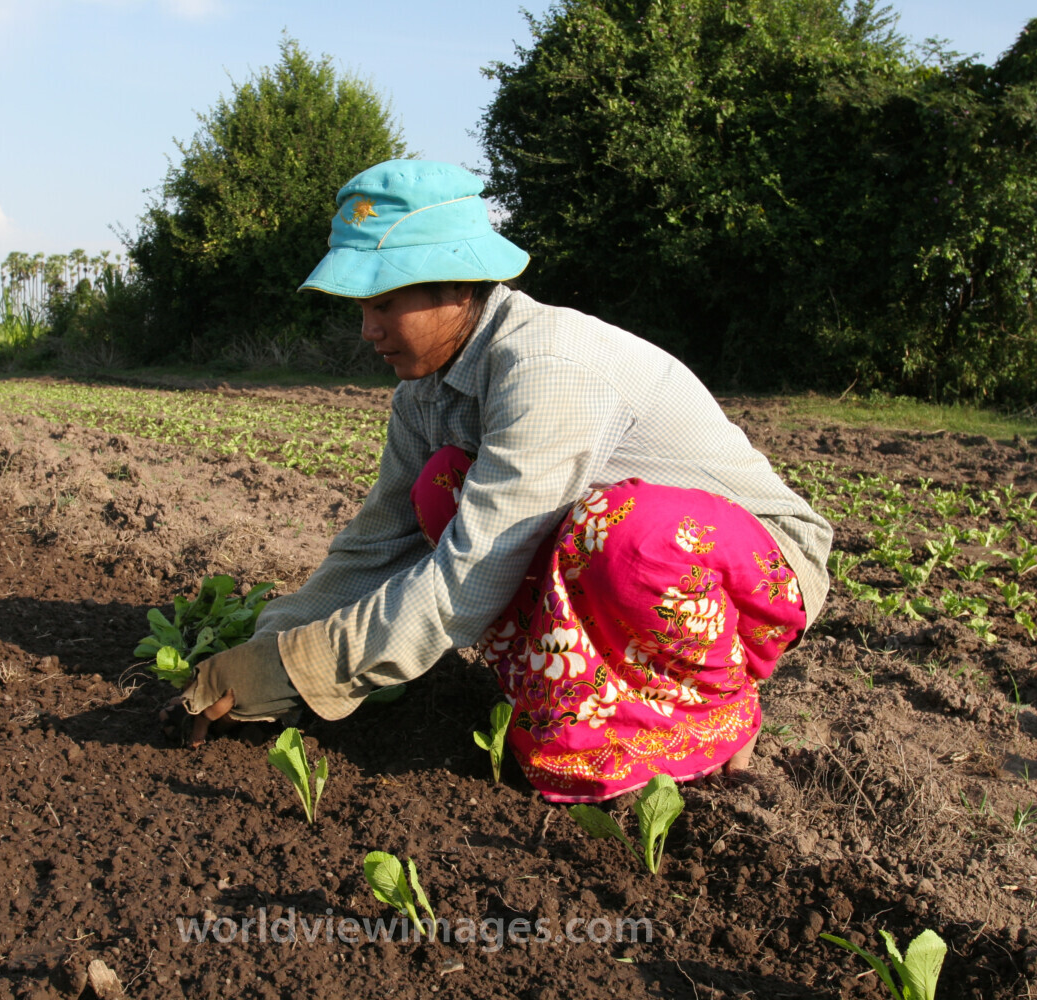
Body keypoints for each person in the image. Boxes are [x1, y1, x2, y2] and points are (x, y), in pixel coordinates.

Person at [180, 159, 832, 804]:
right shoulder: (425, 393)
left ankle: (719, 712)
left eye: (384, 304)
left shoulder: (546, 366)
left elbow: (474, 568)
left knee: (630, 535)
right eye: (362, 306)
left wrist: (307, 670)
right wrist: (271, 643)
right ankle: (580, 701)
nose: (368, 329)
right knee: (441, 486)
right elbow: (378, 543)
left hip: (754, 573)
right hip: (619, 565)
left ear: (460, 287)